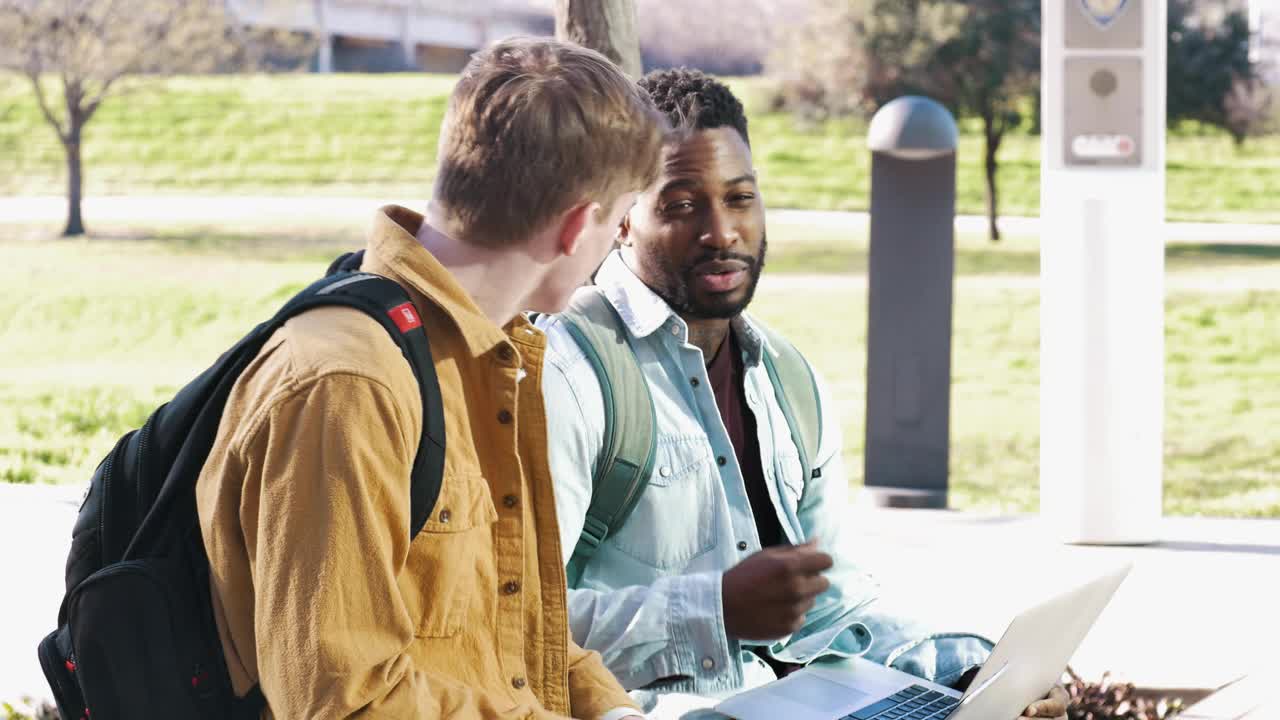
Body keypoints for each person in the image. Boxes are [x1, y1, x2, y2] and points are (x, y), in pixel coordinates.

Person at [537, 68, 1068, 720]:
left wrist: (972, 670)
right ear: (619, 220)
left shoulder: (787, 378)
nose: (722, 231)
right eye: (681, 204)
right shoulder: (569, 372)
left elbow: (834, 605)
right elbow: (520, 627)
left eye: (739, 198)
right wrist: (717, 611)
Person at [195, 38, 664, 720]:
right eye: (620, 222)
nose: (618, 244)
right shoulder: (347, 385)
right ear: (574, 228)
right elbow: (343, 702)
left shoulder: (491, 359)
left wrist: (613, 712)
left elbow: (515, 640)